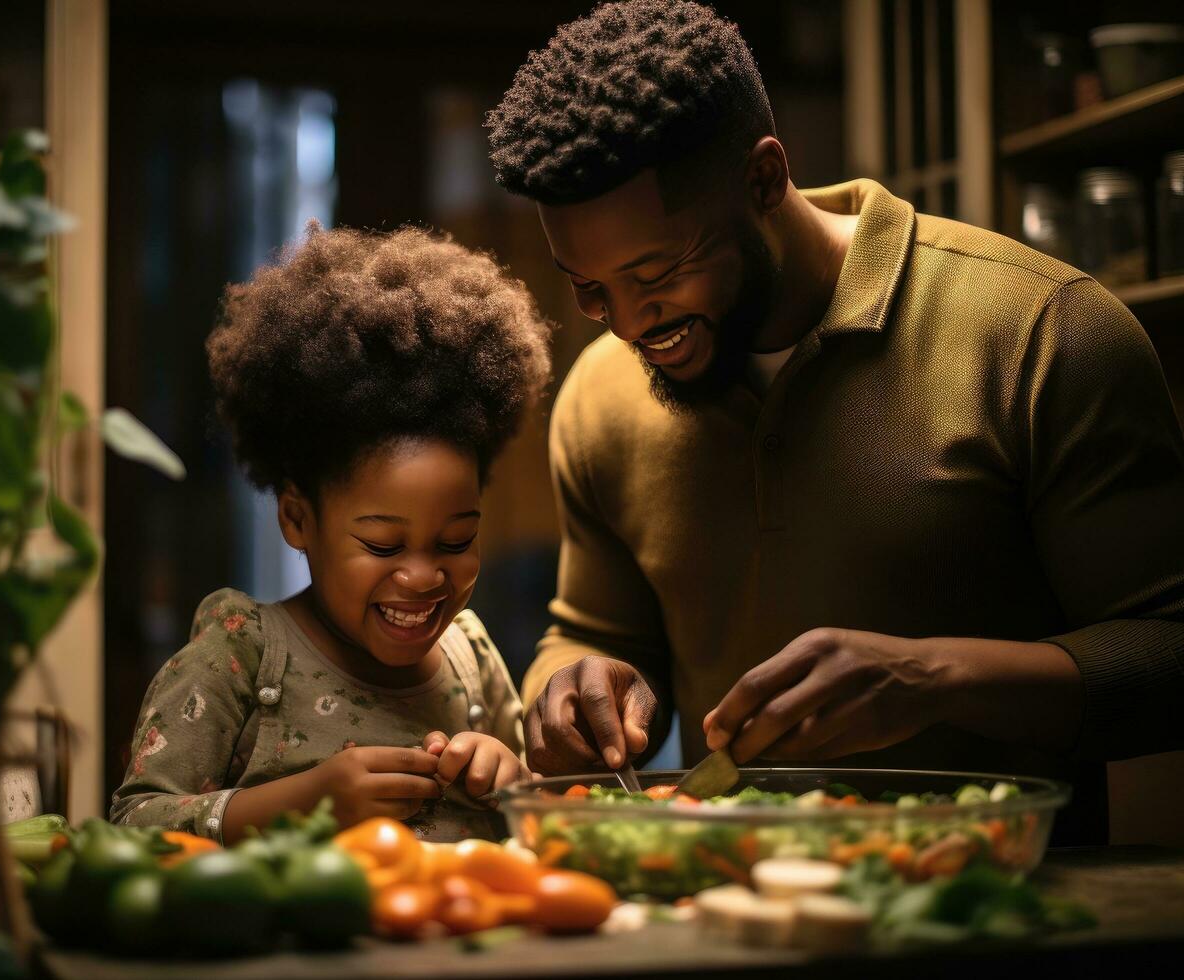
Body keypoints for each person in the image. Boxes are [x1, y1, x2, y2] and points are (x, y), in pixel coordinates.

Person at [486, 0, 1184, 843]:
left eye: (658, 271)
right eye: (588, 287)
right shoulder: (600, 395)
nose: (630, 323)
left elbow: (1168, 655)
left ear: (765, 178)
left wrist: (936, 676)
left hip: (995, 912)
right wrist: (570, 686)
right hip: (730, 913)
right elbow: (592, 632)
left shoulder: (1044, 331)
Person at [110, 223, 552, 843]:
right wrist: (305, 801)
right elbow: (133, 827)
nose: (424, 576)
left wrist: (512, 785)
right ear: (297, 519)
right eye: (383, 545)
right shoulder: (241, 653)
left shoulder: (469, 654)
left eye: (455, 542)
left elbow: (542, 820)